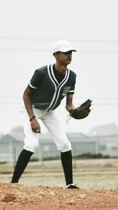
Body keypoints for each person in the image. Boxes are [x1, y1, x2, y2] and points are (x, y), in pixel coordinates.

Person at [11, 40, 79, 189]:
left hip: (50, 112)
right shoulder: (41, 73)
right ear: (55, 54)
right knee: (32, 144)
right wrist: (32, 118)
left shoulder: (72, 76)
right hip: (32, 109)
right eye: (65, 52)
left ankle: (70, 184)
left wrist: (75, 111)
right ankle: (13, 183)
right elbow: (26, 95)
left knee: (65, 144)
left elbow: (68, 104)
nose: (69, 55)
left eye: (70, 52)